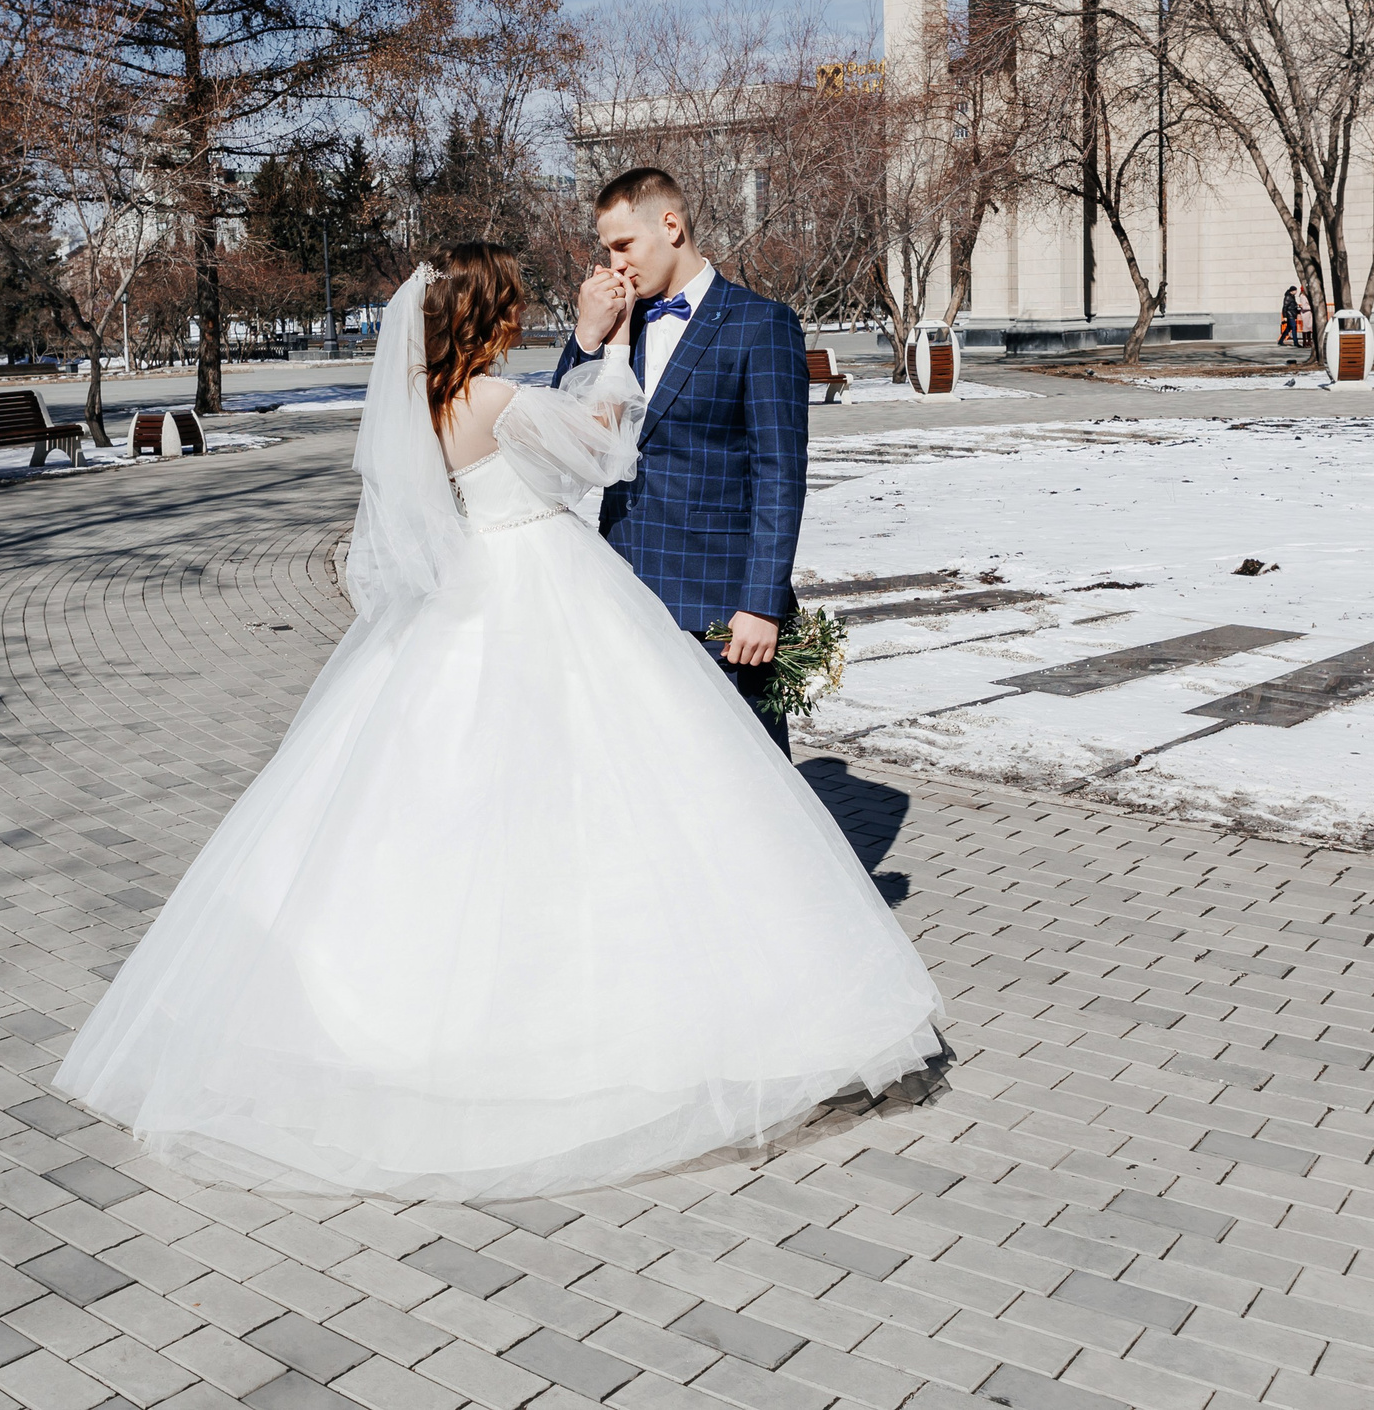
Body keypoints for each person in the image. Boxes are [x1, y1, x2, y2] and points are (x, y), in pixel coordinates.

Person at [52, 244, 943, 1201]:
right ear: (489, 317)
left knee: (449, 802)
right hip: (542, 590)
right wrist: (599, 347)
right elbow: (604, 447)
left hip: (466, 603)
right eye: (514, 307)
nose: (523, 319)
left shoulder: (428, 401)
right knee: (601, 784)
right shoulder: (489, 399)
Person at [552, 169, 807, 752]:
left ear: (671, 226)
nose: (615, 266)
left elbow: (779, 476)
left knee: (743, 789)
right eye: (607, 251)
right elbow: (560, 432)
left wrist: (761, 604)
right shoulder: (622, 323)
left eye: (623, 246)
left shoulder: (761, 325)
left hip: (720, 610)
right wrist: (587, 337)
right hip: (623, 596)